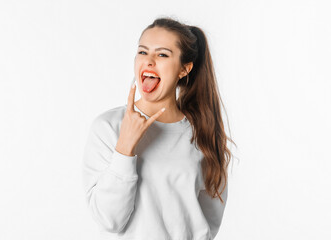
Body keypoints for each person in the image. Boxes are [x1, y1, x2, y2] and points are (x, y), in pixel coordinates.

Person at [82, 17, 236, 240]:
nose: (149, 61)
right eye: (143, 52)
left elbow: (209, 223)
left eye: (162, 54)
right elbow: (110, 220)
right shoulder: (108, 127)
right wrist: (125, 147)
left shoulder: (202, 134)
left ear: (184, 69)